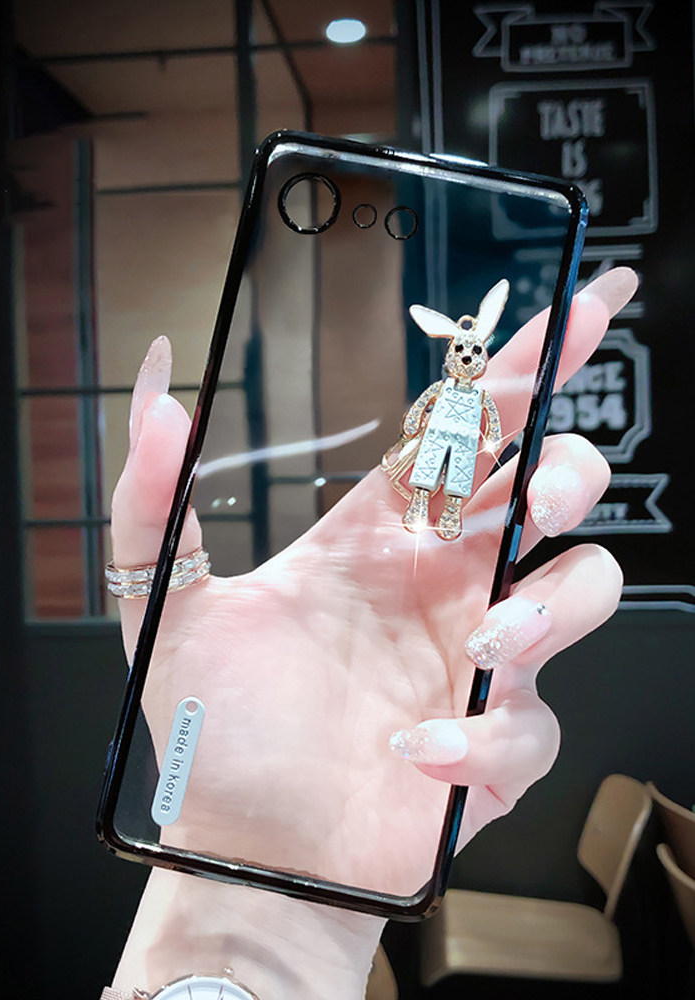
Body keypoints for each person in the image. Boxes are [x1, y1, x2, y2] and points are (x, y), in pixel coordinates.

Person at [102, 268, 638, 1000]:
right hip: (433, 456)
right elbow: (422, 423)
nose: (467, 360)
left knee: (453, 492)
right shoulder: (441, 396)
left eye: (472, 354)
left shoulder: (470, 397)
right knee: (436, 479)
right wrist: (257, 890)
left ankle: (443, 510)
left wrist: (313, 920)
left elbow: (481, 424)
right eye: (461, 352)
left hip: (458, 461)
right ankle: (428, 505)